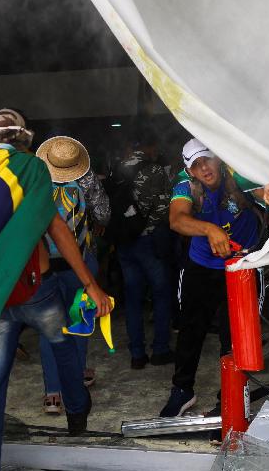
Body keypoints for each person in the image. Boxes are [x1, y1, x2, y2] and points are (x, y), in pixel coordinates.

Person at [0, 109, 111, 471]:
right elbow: (57, 229)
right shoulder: (31, 169)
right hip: (36, 286)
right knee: (64, 345)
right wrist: (90, 283)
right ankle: (76, 413)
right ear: (25, 139)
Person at [159, 138, 269, 417]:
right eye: (196, 165)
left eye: (207, 160)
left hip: (241, 266)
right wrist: (209, 229)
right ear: (189, 170)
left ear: (218, 157)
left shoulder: (236, 172)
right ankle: (182, 390)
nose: (204, 168)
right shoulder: (185, 184)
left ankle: (230, 396)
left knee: (236, 336)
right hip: (201, 265)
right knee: (190, 330)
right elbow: (176, 219)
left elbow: (265, 194)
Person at [34, 135, 110, 414]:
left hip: (45, 265)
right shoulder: (87, 180)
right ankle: (75, 386)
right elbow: (104, 214)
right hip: (79, 262)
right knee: (78, 323)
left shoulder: (34, 180)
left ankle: (52, 394)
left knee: (49, 327)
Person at [111, 138, 174, 370]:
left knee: (133, 299)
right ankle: (160, 350)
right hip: (148, 241)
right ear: (147, 147)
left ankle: (137, 354)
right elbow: (164, 207)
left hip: (124, 242)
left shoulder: (117, 168)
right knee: (161, 294)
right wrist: (150, 228)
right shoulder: (154, 170)